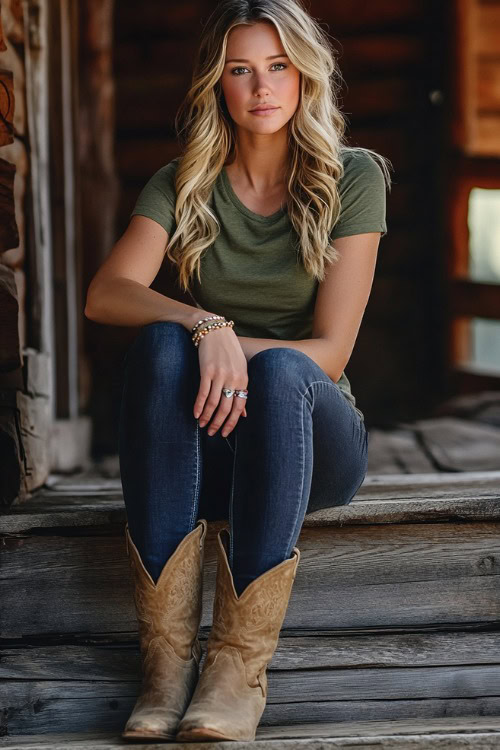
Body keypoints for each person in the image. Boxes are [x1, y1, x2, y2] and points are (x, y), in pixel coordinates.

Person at [85, 0, 392, 742]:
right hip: (219, 448)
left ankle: (235, 671)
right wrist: (202, 324)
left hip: (313, 441)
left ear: (304, 74)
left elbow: (332, 352)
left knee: (286, 371)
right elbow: (105, 295)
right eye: (242, 70)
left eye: (279, 66)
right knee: (161, 345)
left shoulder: (352, 178)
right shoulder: (184, 182)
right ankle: (164, 671)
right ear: (217, 85)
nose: (263, 87)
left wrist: (231, 346)